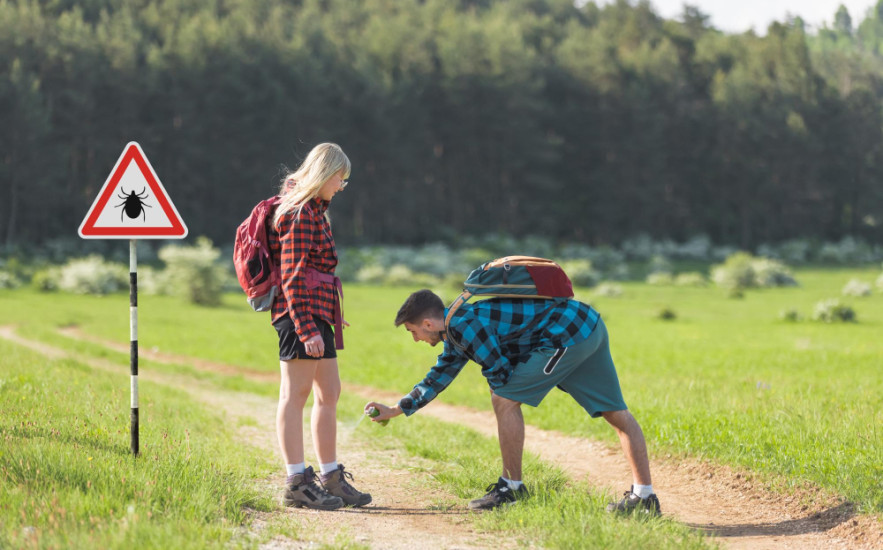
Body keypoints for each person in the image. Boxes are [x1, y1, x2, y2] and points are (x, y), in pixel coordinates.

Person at [364, 289, 660, 514]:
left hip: (566, 335)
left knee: (503, 398)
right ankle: (644, 496)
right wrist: (396, 409)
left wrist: (504, 377)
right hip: (587, 323)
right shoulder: (457, 324)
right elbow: (439, 376)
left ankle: (511, 488)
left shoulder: (464, 326)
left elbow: (500, 372)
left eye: (412, 331)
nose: (415, 339)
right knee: (615, 412)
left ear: (428, 323)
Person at [268, 142, 370, 510]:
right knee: (294, 396)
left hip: (320, 313)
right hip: (300, 315)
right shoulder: (298, 214)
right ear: (326, 174)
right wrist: (306, 328)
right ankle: (296, 481)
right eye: (341, 178)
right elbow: (292, 276)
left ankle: (330, 476)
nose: (342, 186)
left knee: (330, 393)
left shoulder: (315, 211)